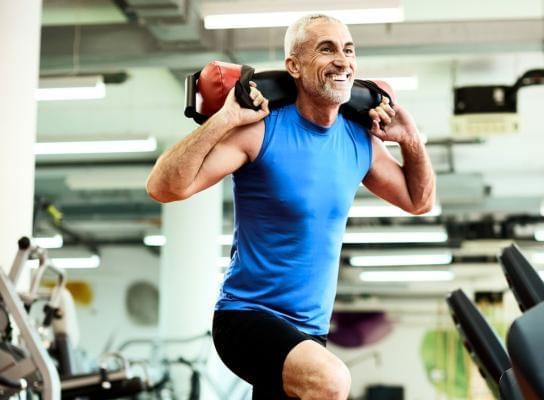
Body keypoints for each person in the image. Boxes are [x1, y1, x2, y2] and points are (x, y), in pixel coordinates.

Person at [146, 13, 435, 400]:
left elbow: (420, 201)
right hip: (246, 318)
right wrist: (225, 120)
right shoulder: (260, 131)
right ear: (293, 66)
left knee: (322, 378)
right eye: (326, 49)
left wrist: (410, 138)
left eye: (349, 51)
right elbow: (163, 187)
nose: (343, 61)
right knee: (331, 381)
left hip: (310, 332)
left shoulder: (360, 141)